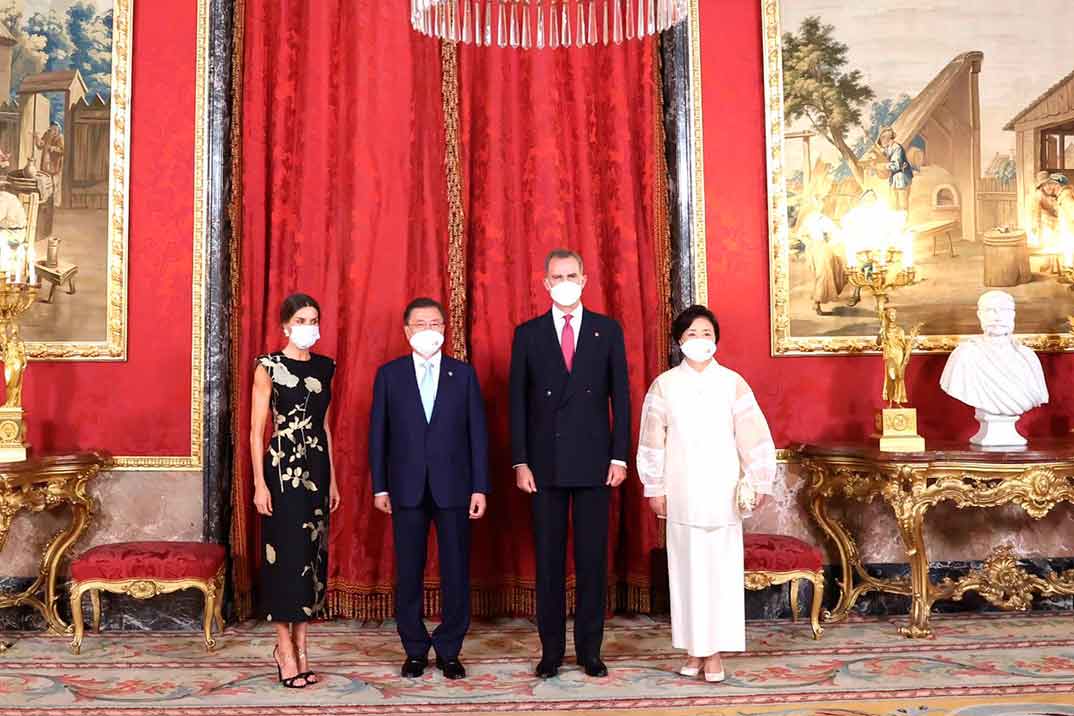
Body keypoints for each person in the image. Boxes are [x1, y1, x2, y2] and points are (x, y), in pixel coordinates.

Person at [636, 305, 776, 683]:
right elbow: (652, 440)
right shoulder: (664, 385)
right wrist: (654, 486)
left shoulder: (733, 383)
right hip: (681, 492)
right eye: (693, 334)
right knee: (686, 575)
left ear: (716, 340)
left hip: (723, 493)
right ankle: (695, 650)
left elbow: (752, 433)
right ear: (680, 341)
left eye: (707, 334)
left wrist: (759, 479)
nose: (700, 341)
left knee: (719, 574)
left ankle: (714, 653)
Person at [509, 248, 630, 679]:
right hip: (544, 467)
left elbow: (622, 398)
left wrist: (619, 456)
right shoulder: (528, 334)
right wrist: (520, 462)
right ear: (545, 282)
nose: (564, 281)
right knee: (549, 562)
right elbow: (517, 405)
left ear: (585, 279)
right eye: (556, 275)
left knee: (593, 561)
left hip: (596, 464)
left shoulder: (607, 331)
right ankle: (551, 651)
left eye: (571, 274)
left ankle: (590, 651)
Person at [369, 297, 489, 680]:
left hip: (455, 487)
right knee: (409, 572)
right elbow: (378, 437)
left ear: (444, 330)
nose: (428, 331)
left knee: (456, 570)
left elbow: (478, 436)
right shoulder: (389, 375)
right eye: (420, 324)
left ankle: (450, 649)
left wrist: (480, 487)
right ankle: (415, 649)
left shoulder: (463, 374)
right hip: (405, 488)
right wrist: (380, 486)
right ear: (407, 331)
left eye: (434, 323)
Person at [250, 293, 340, 689]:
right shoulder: (267, 366)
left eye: (314, 319)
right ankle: (283, 647)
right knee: (284, 557)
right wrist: (258, 483)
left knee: (310, 558)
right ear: (286, 325)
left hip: (317, 472)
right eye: (302, 319)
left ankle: (303, 646)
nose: (309, 326)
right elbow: (256, 432)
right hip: (282, 472)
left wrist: (333, 478)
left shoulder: (325, 367)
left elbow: (325, 428)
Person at [940, 290, 1048, 446]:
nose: (998, 316)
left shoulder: (1028, 357)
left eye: (1004, 310)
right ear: (980, 315)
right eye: (991, 310)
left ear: (1013, 315)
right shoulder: (964, 355)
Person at [877, 127, 912, 212]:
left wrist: (883, 166)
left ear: (888, 139)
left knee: (902, 203)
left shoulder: (897, 148)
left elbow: (896, 165)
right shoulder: (889, 148)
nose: (882, 142)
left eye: (883, 139)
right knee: (894, 202)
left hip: (902, 177)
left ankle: (904, 221)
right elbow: (885, 154)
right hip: (895, 178)